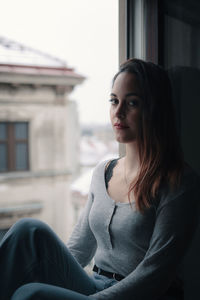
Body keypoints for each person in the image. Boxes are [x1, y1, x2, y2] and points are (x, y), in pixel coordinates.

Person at [0, 58, 199, 300]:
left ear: (154, 109)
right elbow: (79, 250)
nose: (119, 112)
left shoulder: (179, 181)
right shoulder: (103, 172)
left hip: (141, 296)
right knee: (28, 229)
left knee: (30, 294)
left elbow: (156, 275)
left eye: (132, 103)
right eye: (114, 101)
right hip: (95, 285)